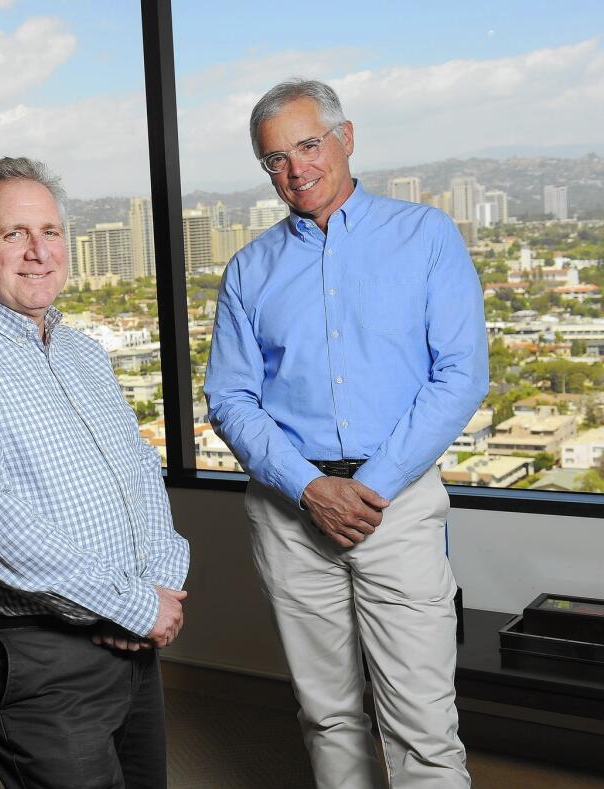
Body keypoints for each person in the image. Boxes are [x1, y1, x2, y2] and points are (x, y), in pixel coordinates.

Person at [205, 79, 487, 788]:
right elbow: (230, 398)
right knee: (327, 714)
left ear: (347, 137)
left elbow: (460, 377)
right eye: (275, 159)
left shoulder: (425, 236)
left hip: (395, 502)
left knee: (422, 722)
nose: (296, 169)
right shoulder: (249, 269)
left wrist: (368, 486)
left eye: (309, 144)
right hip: (289, 510)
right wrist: (309, 488)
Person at [0, 156, 190, 789]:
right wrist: (138, 605)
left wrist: (159, 582)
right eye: (14, 234)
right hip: (33, 654)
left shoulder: (83, 352)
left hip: (127, 639)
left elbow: (138, 471)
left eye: (51, 232)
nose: (39, 251)